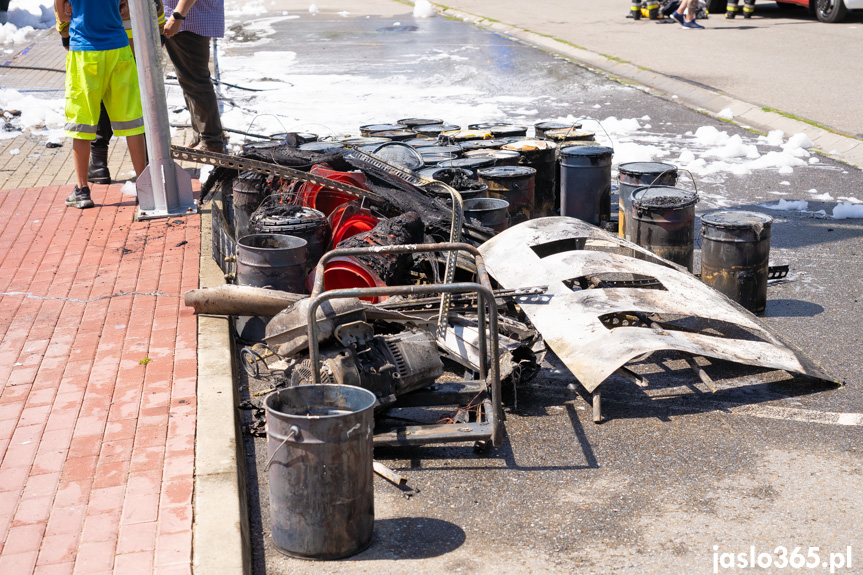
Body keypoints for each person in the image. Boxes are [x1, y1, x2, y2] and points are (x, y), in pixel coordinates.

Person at [54, 1, 164, 185]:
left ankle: (83, 189)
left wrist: (68, 24)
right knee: (133, 122)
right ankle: (145, 186)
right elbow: (128, 10)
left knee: (82, 123)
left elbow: (63, 15)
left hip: (85, 51)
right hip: (119, 48)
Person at [163, 0, 225, 153]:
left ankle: (211, 141)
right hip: (184, 19)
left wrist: (177, 16)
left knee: (196, 82)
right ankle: (202, 137)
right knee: (189, 81)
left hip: (187, 21)